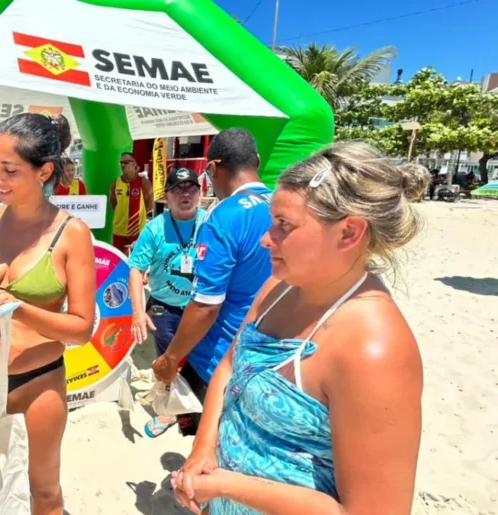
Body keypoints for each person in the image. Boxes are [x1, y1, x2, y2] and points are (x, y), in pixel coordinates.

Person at [173, 142, 427, 515]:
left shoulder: (374, 349)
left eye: (284, 226)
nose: (266, 239)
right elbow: (229, 365)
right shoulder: (281, 285)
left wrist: (230, 485)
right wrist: (203, 447)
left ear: (349, 233)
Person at [0, 113, 96, 515]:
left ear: (44, 170)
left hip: (37, 384)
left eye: (9, 169)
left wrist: (19, 311)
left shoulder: (71, 233)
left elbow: (82, 329)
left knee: (44, 493)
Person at [152, 128, 272, 437]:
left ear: (212, 169)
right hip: (272, 350)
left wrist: (171, 358)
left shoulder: (224, 217)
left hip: (223, 359)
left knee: (214, 449)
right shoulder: (283, 206)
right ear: (256, 161)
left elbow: (206, 305)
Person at [126, 168, 206, 437]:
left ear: (200, 192)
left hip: (202, 307)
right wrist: (137, 311)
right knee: (167, 359)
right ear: (167, 197)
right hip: (164, 307)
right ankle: (170, 411)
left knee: (201, 359)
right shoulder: (155, 228)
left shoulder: (210, 223)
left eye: (191, 188)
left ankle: (198, 408)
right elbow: (136, 270)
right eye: (177, 189)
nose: (185, 194)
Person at [110, 152, 154, 255]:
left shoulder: (144, 183)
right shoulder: (115, 183)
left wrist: (139, 215)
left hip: (138, 231)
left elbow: (150, 205)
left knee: (138, 263)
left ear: (134, 164)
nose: (123, 165)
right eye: (121, 163)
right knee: (119, 263)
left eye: (126, 162)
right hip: (119, 231)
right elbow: (113, 204)